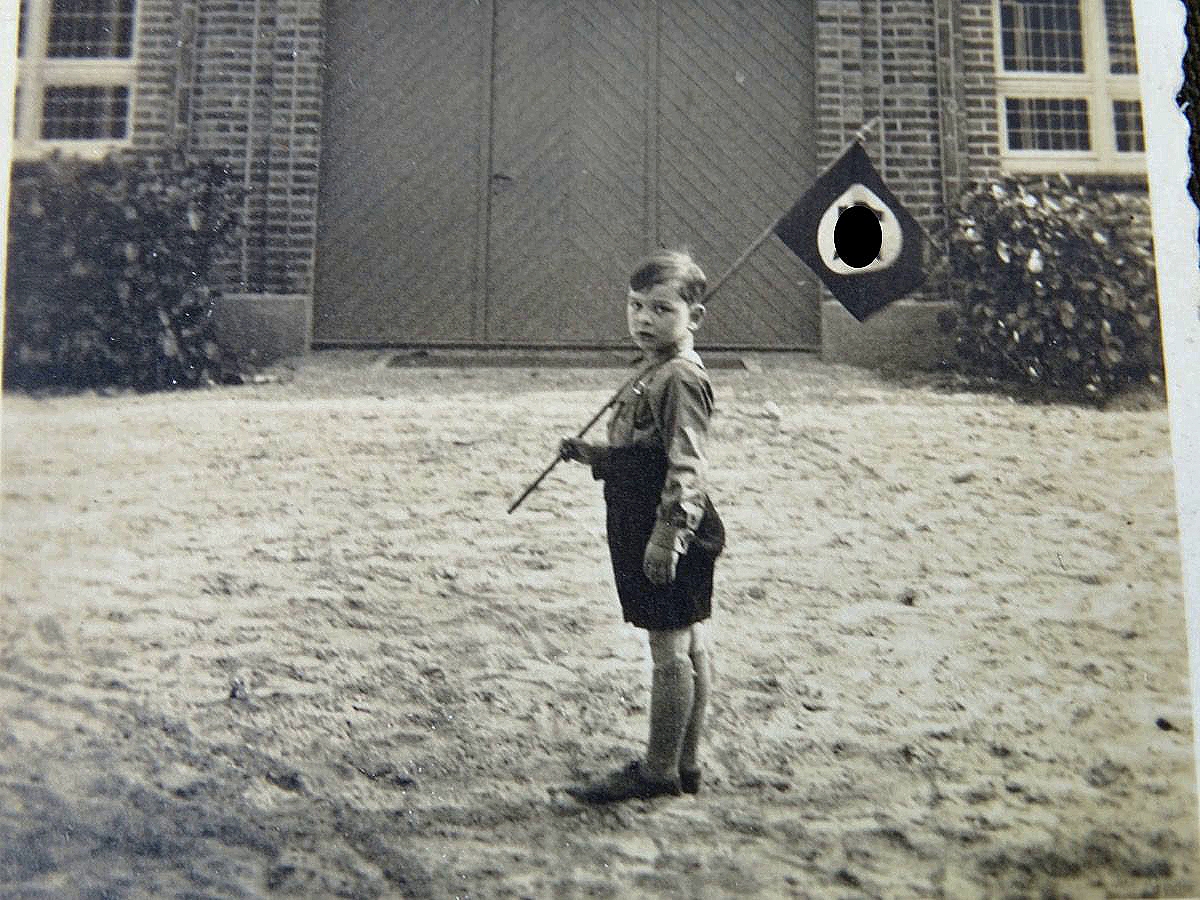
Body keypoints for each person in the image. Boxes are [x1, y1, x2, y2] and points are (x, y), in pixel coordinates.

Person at [559, 249, 725, 803]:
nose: (644, 319)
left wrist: (667, 537)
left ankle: (659, 773)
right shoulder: (653, 368)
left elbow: (686, 466)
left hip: (665, 524)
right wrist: (595, 456)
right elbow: (643, 451)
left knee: (670, 649)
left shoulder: (679, 377)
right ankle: (686, 762)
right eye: (635, 306)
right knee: (687, 637)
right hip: (642, 513)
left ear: (694, 318)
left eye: (661, 309)